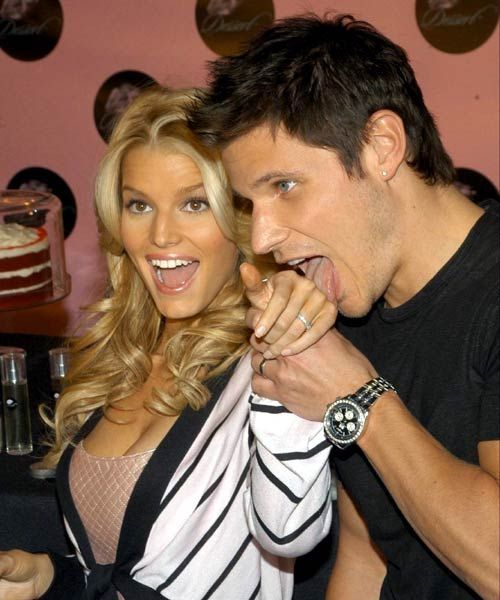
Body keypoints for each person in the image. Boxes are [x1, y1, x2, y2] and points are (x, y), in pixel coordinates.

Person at [190, 13, 500, 600]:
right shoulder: (354, 301)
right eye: (251, 203)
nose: (263, 238)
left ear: (382, 146)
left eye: (284, 186)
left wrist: (357, 397)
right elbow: (368, 552)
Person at [0, 87, 336, 599]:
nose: (160, 235)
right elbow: (134, 571)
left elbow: (291, 532)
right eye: (139, 205)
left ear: (241, 218)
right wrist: (49, 577)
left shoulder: (270, 361)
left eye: (194, 203)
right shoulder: (120, 362)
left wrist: (283, 345)